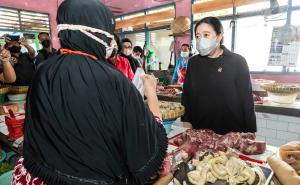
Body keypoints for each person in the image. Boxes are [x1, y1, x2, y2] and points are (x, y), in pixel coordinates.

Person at [12, 1, 167, 185]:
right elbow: (142, 142)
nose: (112, 42)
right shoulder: (111, 78)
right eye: (109, 34)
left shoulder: (44, 70)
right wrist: (152, 96)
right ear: (95, 32)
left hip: (33, 176)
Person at [181, 16, 256, 135]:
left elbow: (247, 100)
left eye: (206, 35)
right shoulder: (193, 62)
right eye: (198, 36)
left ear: (219, 36)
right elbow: (187, 95)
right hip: (200, 131)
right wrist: (186, 122)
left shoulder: (237, 62)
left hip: (231, 133)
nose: (201, 40)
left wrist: (250, 132)